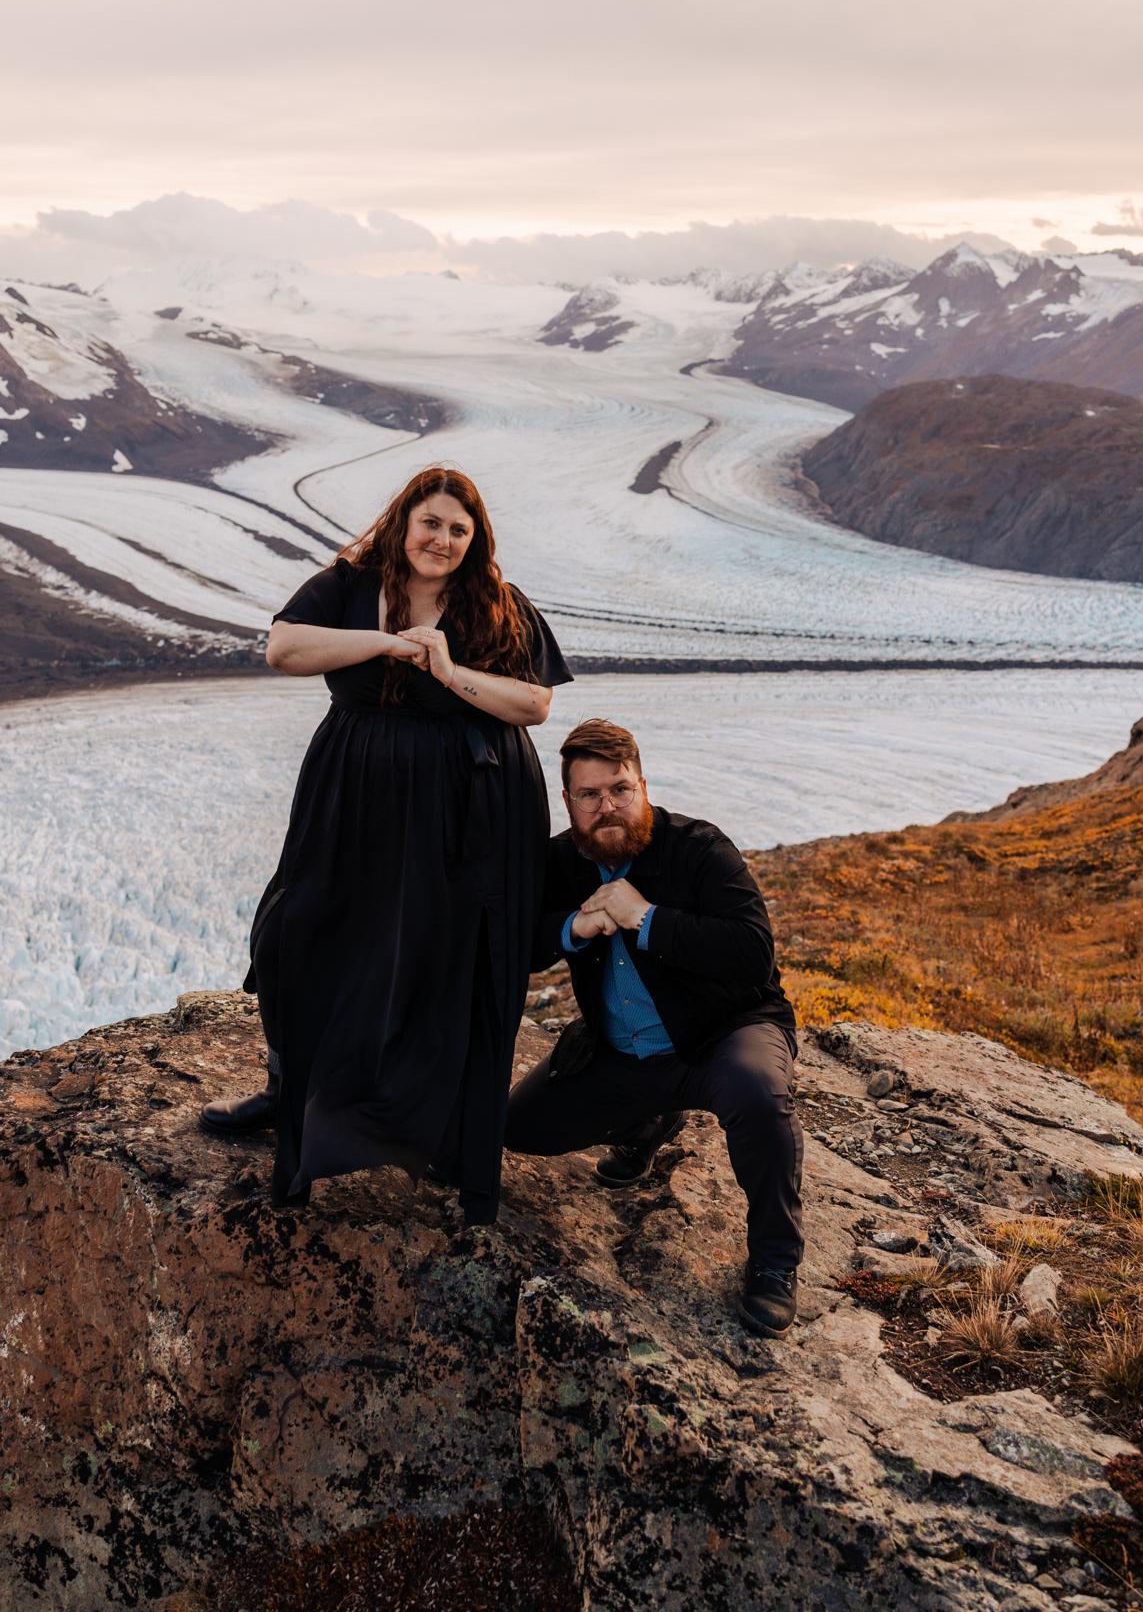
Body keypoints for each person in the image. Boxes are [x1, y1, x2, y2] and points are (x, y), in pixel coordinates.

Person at [200, 466, 572, 1223]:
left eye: (458, 530)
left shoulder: (496, 603)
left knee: (446, 960)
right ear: (405, 521)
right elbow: (282, 649)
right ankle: (290, 1092)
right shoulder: (349, 582)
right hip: (355, 788)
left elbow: (533, 701)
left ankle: (442, 1134)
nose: (441, 540)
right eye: (430, 523)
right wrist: (382, 644)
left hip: (467, 803)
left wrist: (447, 668)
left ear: (475, 540)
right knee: (295, 932)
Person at [505, 718, 803, 1337]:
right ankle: (646, 1123)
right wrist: (571, 928)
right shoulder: (561, 861)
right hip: (624, 1055)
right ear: (569, 803)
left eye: (619, 789)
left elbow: (753, 952)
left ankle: (775, 1262)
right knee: (520, 1128)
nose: (607, 806)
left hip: (725, 1035)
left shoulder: (699, 847)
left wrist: (645, 919)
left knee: (758, 1095)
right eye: (590, 795)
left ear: (644, 784)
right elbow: (518, 944)